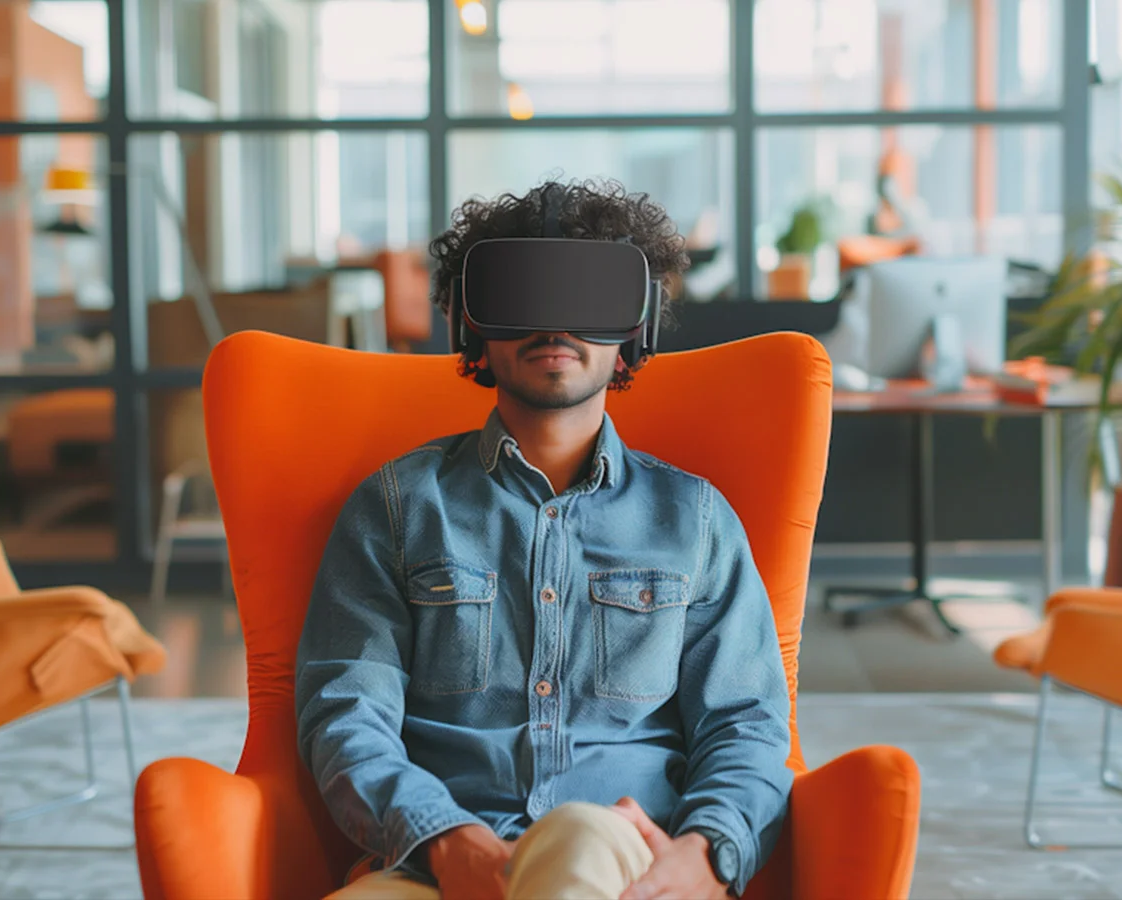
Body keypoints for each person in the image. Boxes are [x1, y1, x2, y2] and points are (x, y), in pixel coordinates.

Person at [295, 178, 793, 900]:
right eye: (525, 294)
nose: (554, 324)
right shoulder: (398, 507)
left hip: (624, 864)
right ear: (475, 326)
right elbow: (345, 713)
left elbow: (746, 726)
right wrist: (445, 839)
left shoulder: (695, 521)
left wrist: (708, 855)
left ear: (632, 329)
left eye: (584, 296)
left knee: (578, 838)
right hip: (439, 867)